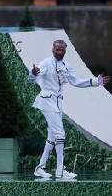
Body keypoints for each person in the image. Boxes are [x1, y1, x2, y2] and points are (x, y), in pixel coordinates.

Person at [29, 40, 110, 179]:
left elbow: (76, 81)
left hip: (57, 102)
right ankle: (60, 170)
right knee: (60, 134)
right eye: (57, 50)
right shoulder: (46, 63)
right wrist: (34, 73)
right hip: (47, 100)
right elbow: (33, 77)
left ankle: (40, 167)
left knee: (52, 136)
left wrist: (95, 81)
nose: (60, 52)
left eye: (62, 50)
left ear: (65, 51)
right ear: (53, 49)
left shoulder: (66, 65)